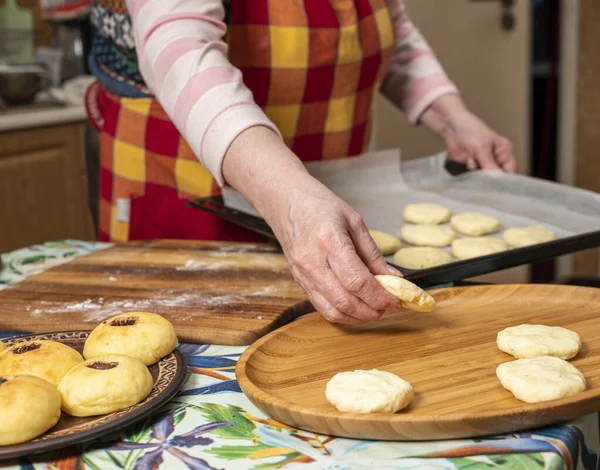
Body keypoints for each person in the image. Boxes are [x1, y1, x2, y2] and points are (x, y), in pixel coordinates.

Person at [86, 0, 516, 325]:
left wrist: (451, 115)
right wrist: (289, 196)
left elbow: (391, 29)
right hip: (186, 191)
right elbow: (179, 48)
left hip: (324, 199)